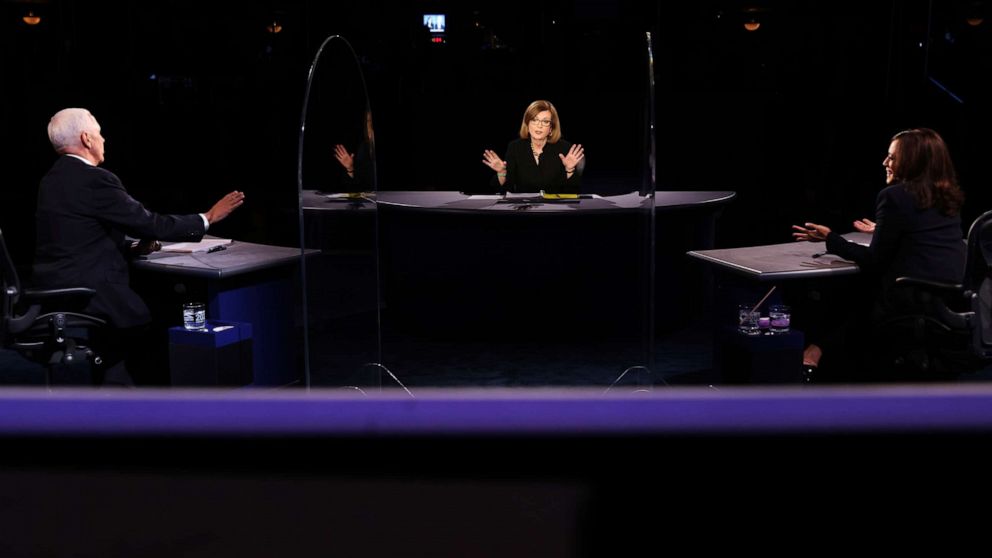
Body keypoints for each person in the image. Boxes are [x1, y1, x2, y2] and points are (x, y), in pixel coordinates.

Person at [33, 108, 245, 385]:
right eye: (99, 132)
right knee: (165, 315)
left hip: (54, 289)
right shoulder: (95, 179)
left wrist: (130, 249)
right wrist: (207, 218)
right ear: (86, 138)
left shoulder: (51, 180)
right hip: (89, 292)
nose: (104, 139)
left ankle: (117, 389)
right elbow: (150, 224)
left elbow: (76, 237)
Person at [792, 128, 966, 381]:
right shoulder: (947, 195)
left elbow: (874, 260)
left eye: (892, 157)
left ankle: (816, 351)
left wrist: (830, 238)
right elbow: (923, 233)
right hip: (951, 297)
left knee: (854, 289)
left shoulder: (893, 196)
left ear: (912, 160)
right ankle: (818, 349)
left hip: (913, 300)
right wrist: (883, 230)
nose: (885, 163)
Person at [482, 100, 585, 194]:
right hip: (524, 209)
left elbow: (573, 193)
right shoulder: (515, 147)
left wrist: (570, 169)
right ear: (527, 124)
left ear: (551, 128)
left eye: (545, 122)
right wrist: (502, 172)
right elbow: (504, 191)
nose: (539, 125)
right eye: (534, 120)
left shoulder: (564, 148)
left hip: (555, 209)